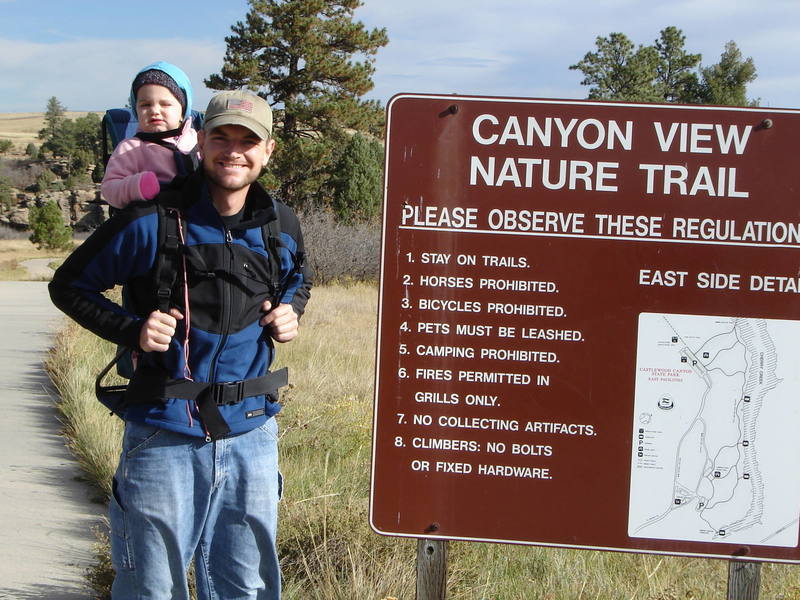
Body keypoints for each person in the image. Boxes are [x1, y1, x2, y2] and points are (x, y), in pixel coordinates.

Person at [49, 90, 312, 599]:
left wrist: (291, 312)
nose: (233, 151)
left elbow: (299, 279)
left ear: (269, 150)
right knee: (153, 588)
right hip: (164, 432)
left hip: (251, 433)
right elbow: (68, 285)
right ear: (201, 143)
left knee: (248, 588)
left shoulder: (281, 223)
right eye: (222, 137)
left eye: (247, 140)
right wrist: (132, 330)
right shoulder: (152, 220)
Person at [102, 61, 199, 208]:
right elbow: (109, 189)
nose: (155, 111)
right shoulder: (131, 148)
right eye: (145, 105)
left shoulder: (197, 140)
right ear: (136, 110)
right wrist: (137, 186)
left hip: (198, 219)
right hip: (155, 220)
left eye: (165, 104)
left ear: (183, 110)